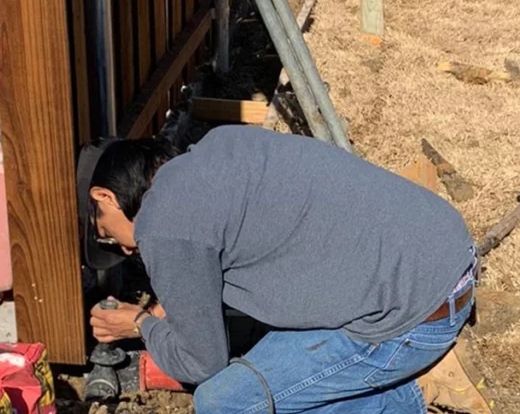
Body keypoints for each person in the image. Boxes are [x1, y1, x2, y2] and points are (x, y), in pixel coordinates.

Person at [79, 126, 475, 414]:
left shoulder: (164, 227)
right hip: (443, 252)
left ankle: (407, 397)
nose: (127, 248)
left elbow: (203, 364)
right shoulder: (218, 148)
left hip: (413, 321)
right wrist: (179, 295)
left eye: (107, 235)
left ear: (105, 197)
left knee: (224, 402)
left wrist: (141, 324)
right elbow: (214, 239)